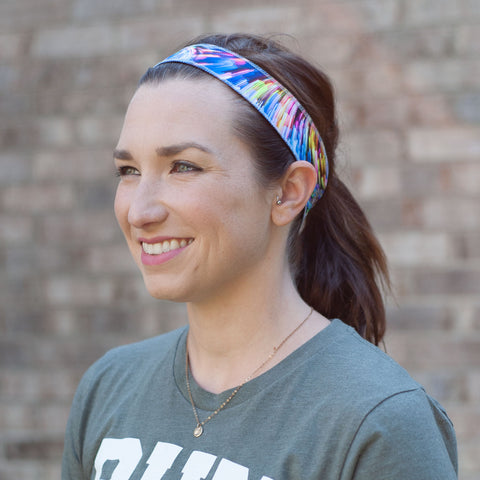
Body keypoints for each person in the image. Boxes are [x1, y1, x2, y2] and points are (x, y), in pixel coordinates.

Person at [62, 33, 457, 479]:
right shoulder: (109, 387)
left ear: (288, 193)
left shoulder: (377, 422)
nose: (140, 211)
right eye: (129, 171)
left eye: (184, 167)